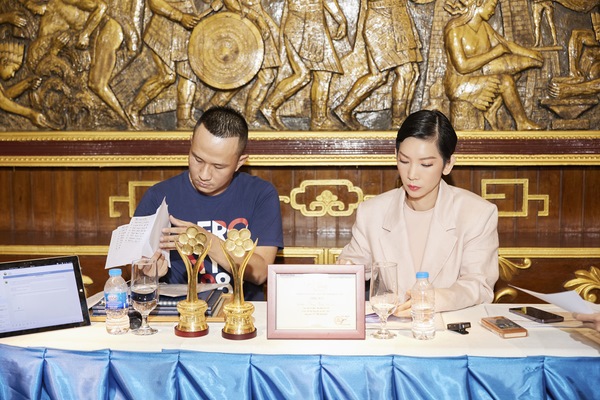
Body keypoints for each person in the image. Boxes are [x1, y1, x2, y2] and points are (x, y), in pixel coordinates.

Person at [338, 109, 499, 313]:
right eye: (404, 161)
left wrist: (433, 299)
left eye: (426, 164)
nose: (412, 174)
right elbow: (353, 266)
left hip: (447, 326)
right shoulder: (372, 213)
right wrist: (345, 272)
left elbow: (479, 285)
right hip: (392, 327)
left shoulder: (477, 214)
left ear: (448, 164)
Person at [134, 106, 284, 301]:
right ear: (191, 144)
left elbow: (260, 272)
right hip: (178, 311)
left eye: (218, 166)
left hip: (241, 312)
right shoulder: (158, 196)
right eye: (197, 159)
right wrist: (147, 273)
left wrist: (206, 241)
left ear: (239, 162)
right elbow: (134, 269)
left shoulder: (260, 194)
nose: (204, 175)